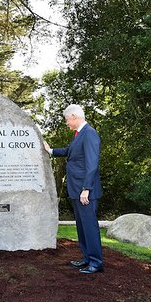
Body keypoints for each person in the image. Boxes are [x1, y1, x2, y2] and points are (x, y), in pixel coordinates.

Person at [44, 104, 103, 274]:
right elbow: (69, 151)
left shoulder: (89, 133)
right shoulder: (79, 135)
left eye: (67, 120)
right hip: (76, 189)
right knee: (82, 227)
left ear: (74, 117)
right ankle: (87, 259)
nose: (66, 123)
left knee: (89, 227)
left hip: (85, 191)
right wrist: (50, 150)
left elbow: (92, 164)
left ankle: (96, 263)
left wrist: (86, 189)